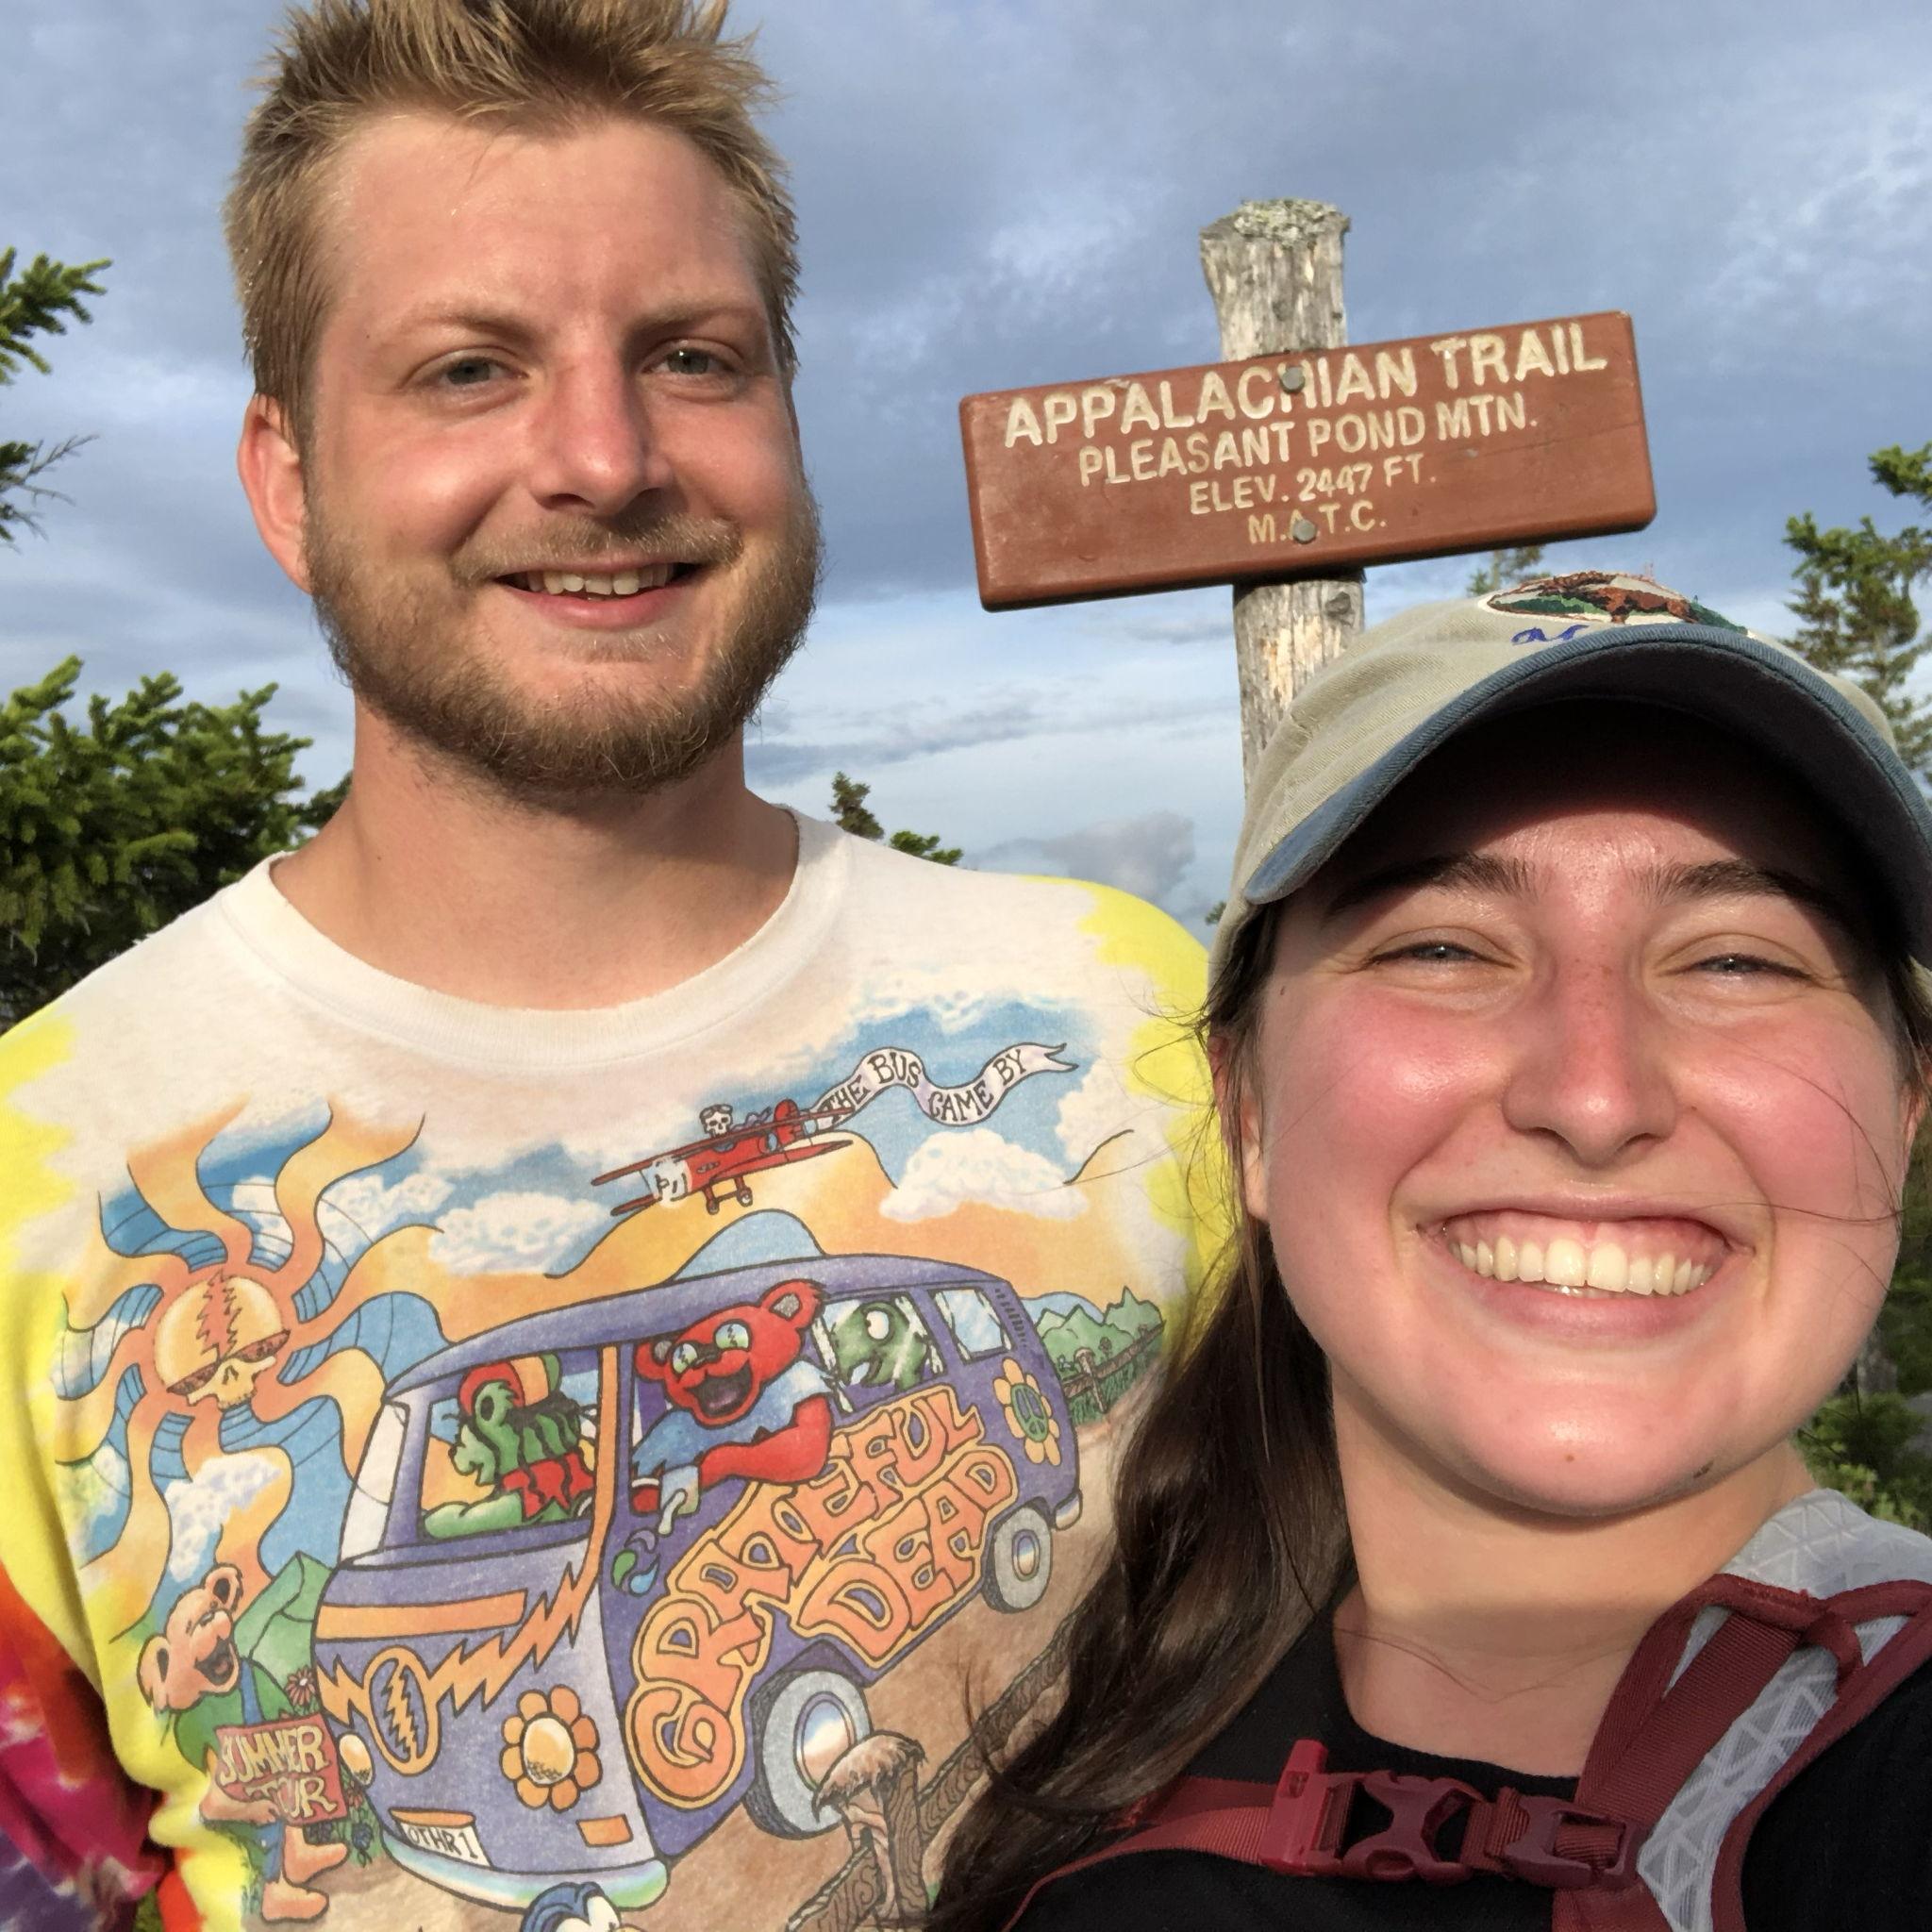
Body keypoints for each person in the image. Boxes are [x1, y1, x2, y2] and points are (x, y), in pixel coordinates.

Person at [0, 4, 1208, 1929]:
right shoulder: (36, 1165)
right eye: (468, 369)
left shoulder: (1138, 1017)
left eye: (692, 356)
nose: (602, 457)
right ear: (288, 479)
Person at [934, 571, 1932, 1932]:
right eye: (1446, 948)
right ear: (1247, 1112)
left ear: (1906, 1109)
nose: (1595, 1097)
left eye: (1737, 961)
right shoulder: (1075, 1762)